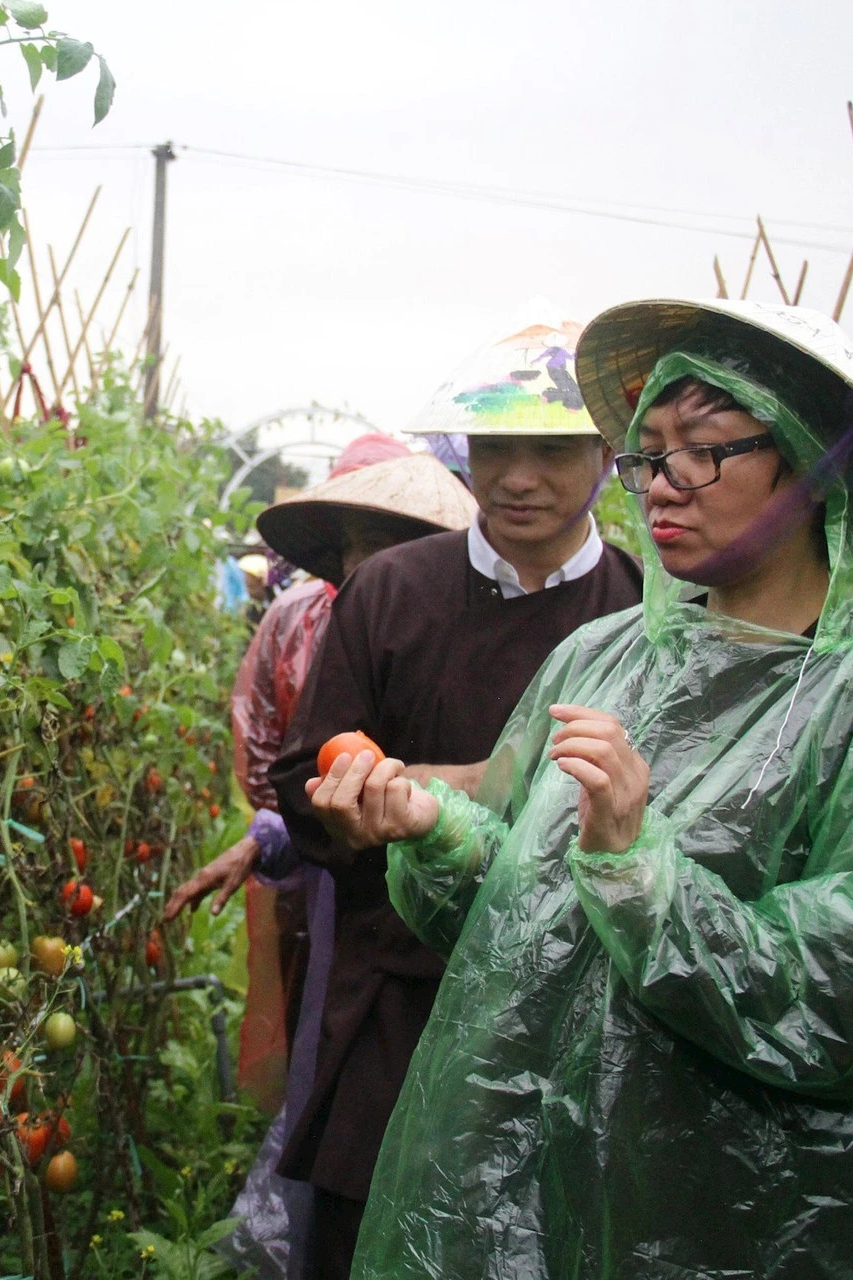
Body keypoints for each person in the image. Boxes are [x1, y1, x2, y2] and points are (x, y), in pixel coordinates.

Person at [316, 298, 853, 1280]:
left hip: (748, 1217)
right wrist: (434, 827)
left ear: (816, 461)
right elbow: (523, 925)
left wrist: (637, 859)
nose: (662, 484)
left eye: (703, 450)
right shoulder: (605, 658)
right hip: (543, 1186)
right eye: (649, 454)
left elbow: (842, 1006)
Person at [265, 322, 645, 1280]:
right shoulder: (390, 593)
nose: (519, 477)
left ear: (605, 454)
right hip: (396, 1003)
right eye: (494, 448)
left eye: (552, 450)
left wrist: (455, 785)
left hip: (568, 1014)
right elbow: (301, 774)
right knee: (369, 1239)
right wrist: (354, 805)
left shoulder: (642, 611)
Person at [166, 436, 476, 1280]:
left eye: (390, 546)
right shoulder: (302, 623)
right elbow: (284, 765)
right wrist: (274, 836)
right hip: (344, 893)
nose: (367, 565)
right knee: (337, 1077)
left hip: (446, 913)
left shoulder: (463, 631)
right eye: (354, 545)